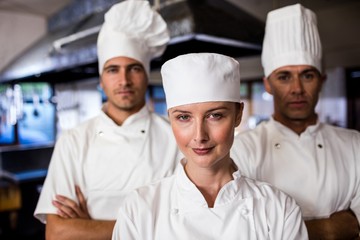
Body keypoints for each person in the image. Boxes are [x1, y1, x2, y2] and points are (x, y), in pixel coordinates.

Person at [111, 53, 308, 240]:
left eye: (215, 115)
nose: (200, 136)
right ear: (170, 119)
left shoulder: (278, 208)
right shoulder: (140, 208)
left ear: (238, 114)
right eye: (184, 117)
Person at [34, 1, 181, 239]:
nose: (124, 80)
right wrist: (146, 227)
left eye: (134, 68)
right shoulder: (74, 141)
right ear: (101, 80)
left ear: (146, 77)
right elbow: (57, 232)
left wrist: (89, 226)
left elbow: (184, 223)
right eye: (113, 70)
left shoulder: (175, 137)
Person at [231, 3, 360, 239]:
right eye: (284, 77)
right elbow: (238, 231)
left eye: (307, 75)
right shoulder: (242, 150)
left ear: (322, 80)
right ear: (268, 84)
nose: (297, 89)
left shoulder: (354, 145)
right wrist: (326, 230)